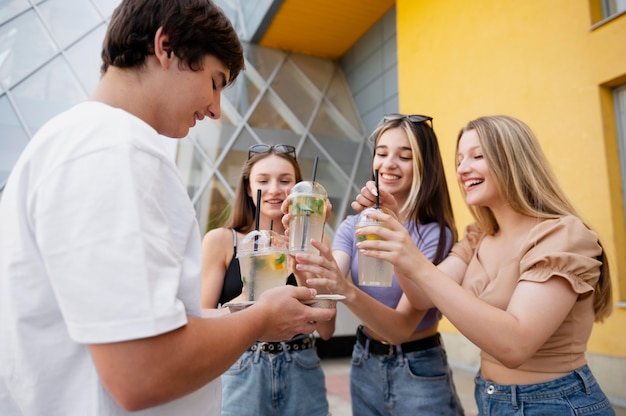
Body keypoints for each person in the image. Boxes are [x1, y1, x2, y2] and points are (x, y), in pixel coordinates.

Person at [0, 1, 335, 415]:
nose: (215, 109)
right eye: (215, 82)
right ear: (167, 46)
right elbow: (141, 371)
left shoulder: (68, 141)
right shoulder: (115, 150)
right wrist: (259, 321)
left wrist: (238, 315)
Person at [353, 115, 615, 415]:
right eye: (460, 159)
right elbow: (422, 296)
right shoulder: (479, 237)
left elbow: (515, 346)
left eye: (477, 156)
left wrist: (413, 258)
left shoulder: (564, 235)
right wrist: (395, 232)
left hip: (556, 403)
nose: (463, 169)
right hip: (491, 399)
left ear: (513, 160)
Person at [292, 114, 465, 415]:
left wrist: (344, 289)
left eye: (405, 156)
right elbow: (325, 304)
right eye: (382, 153)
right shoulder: (353, 224)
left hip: (418, 369)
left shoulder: (436, 234)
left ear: (425, 165)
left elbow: (400, 329)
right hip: (364, 362)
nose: (388, 164)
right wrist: (307, 255)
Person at [201, 143, 334, 416]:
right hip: (242, 366)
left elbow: (327, 328)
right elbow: (202, 319)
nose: (274, 189)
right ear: (249, 188)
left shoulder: (315, 241)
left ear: (298, 189)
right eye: (263, 180)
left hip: (302, 366)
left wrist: (300, 269)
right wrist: (252, 291)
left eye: (285, 181)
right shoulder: (222, 241)